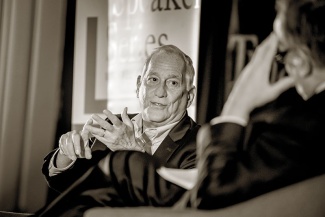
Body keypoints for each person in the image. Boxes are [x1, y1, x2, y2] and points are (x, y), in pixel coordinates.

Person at [171, 0, 325, 209]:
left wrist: (236, 107)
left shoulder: (301, 130)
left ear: (299, 61)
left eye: (280, 52)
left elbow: (211, 197)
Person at [36, 45, 200, 216]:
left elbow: (181, 208)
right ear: (138, 85)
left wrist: (132, 152)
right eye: (153, 79)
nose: (160, 92)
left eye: (173, 83)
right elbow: (69, 187)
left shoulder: (200, 144)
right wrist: (67, 154)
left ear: (189, 96)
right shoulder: (111, 124)